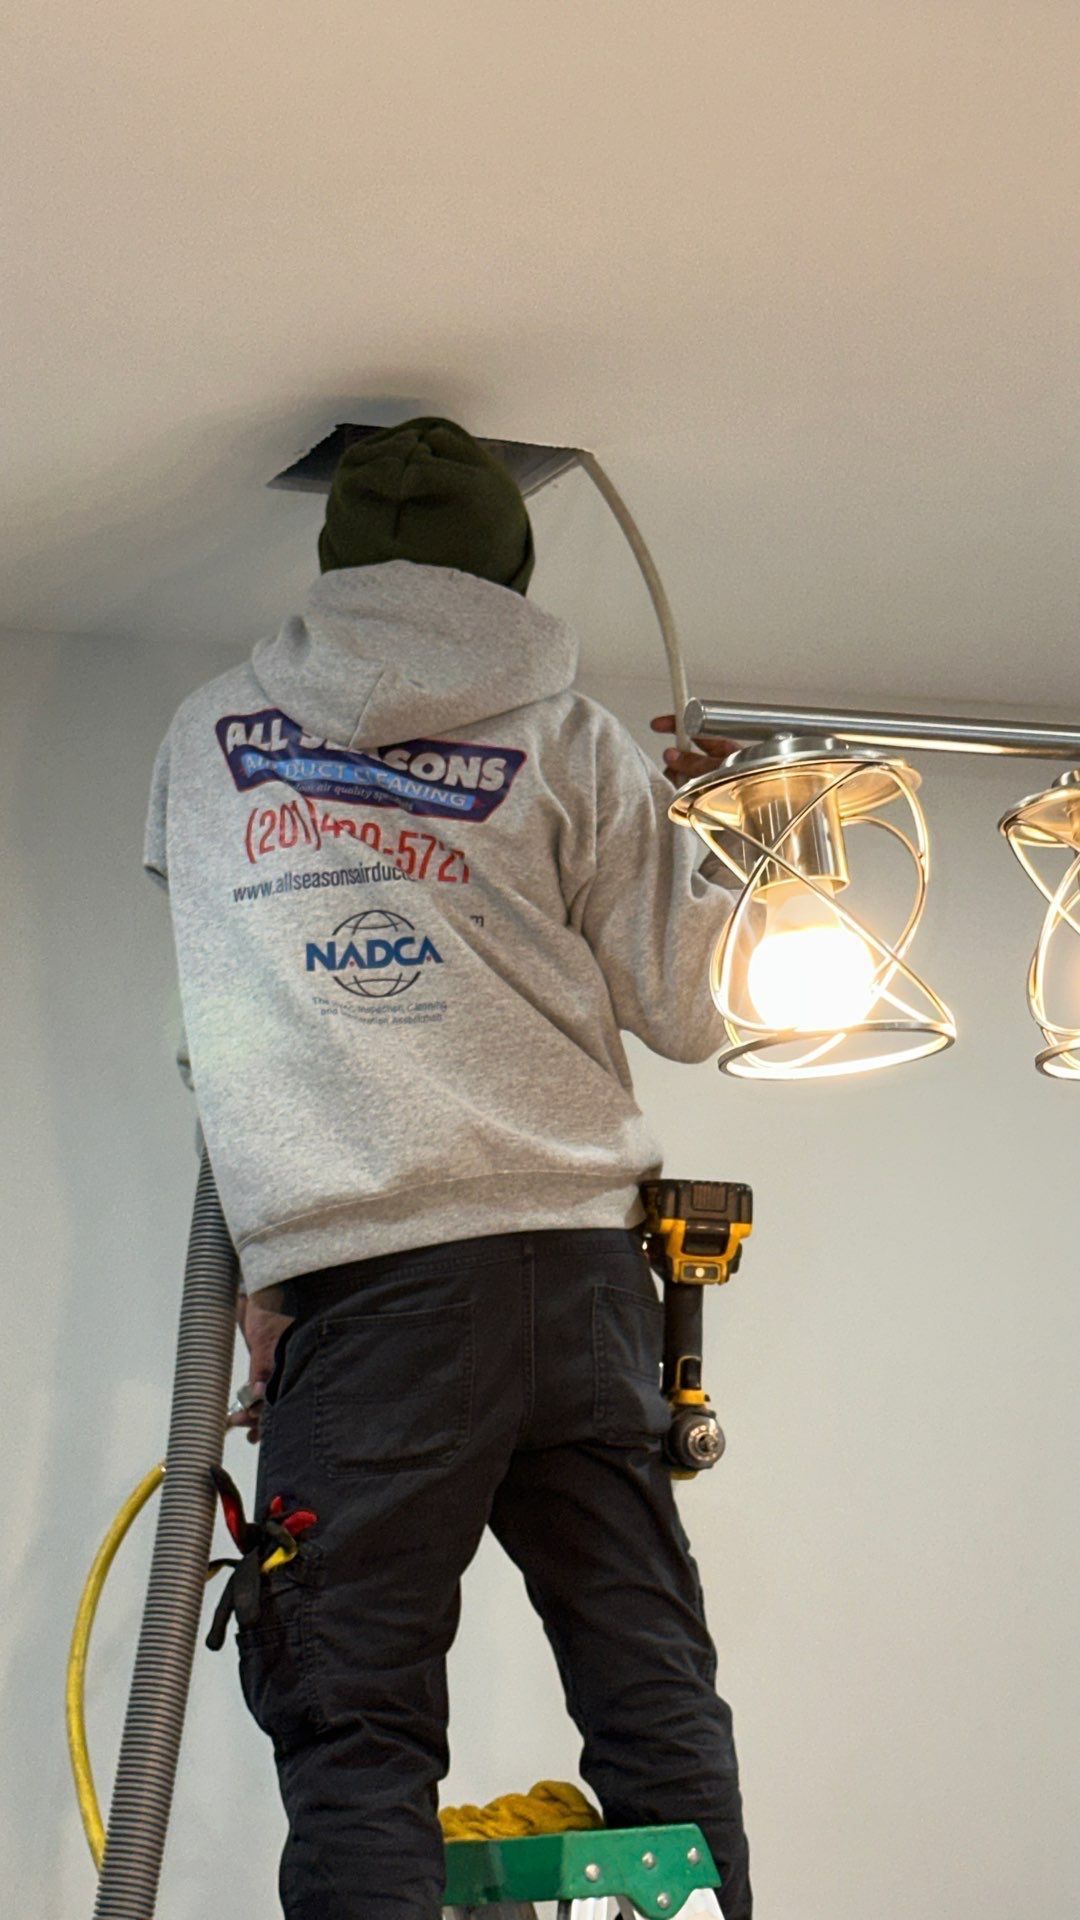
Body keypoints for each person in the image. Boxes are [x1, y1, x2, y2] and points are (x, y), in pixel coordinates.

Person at [143, 415, 752, 1919]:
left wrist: (274, 1267)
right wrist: (727, 838)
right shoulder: (579, 737)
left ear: (337, 563)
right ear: (514, 569)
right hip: (581, 1279)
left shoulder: (204, 737)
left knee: (353, 1721)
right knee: (651, 1685)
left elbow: (216, 1017)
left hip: (373, 1291)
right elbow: (693, 1004)